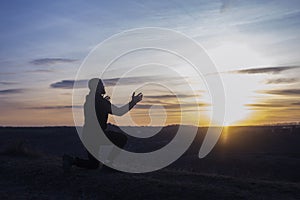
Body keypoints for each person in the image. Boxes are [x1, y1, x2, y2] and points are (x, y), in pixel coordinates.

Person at [63, 78, 143, 172]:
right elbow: (119, 112)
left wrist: (104, 102)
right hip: (97, 135)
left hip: (87, 136)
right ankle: (109, 164)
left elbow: (97, 108)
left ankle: (72, 160)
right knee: (122, 138)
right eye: (101, 85)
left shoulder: (89, 100)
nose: (104, 87)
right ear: (97, 88)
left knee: (94, 165)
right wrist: (133, 102)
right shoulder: (101, 102)